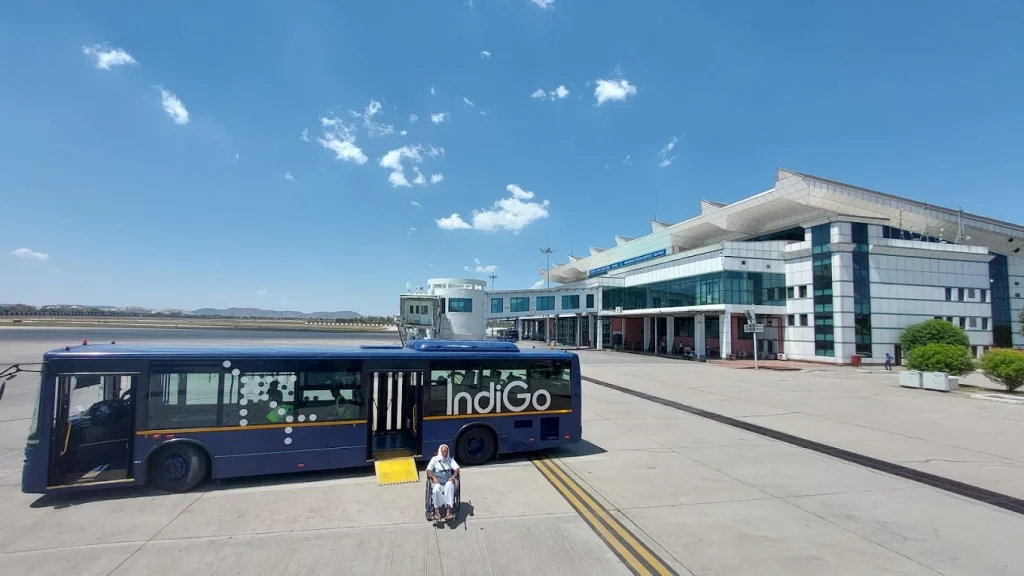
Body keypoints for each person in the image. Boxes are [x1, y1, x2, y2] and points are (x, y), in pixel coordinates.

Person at [425, 444, 460, 521]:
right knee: (436, 489)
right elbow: (428, 471)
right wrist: (433, 478)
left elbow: (457, 469)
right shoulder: (434, 459)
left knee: (450, 486)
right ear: (440, 452)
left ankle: (449, 512)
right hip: (438, 481)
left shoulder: (450, 460)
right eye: (443, 451)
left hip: (447, 481)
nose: (445, 453)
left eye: (446, 452)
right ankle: (437, 511)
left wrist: (453, 477)